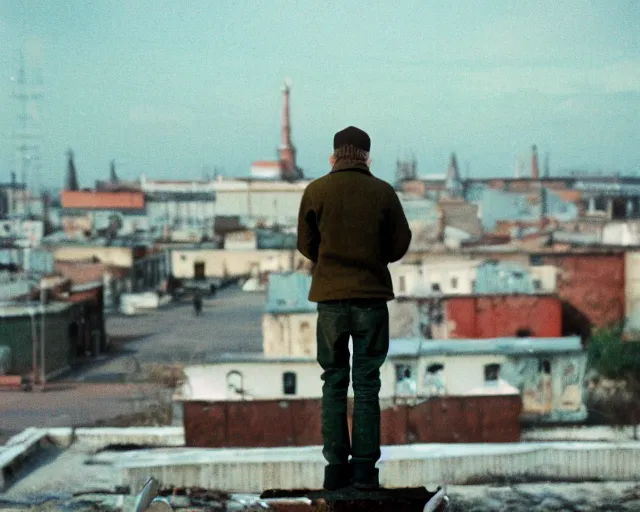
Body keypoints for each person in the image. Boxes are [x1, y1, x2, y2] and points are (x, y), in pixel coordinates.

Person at [297, 126, 412, 490]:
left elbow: (305, 244)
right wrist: (372, 258)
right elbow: (399, 244)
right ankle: (364, 470)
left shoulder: (316, 191)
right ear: (366, 157)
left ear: (334, 157)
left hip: (330, 301)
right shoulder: (383, 192)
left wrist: (330, 261)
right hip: (371, 299)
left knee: (333, 382)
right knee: (366, 385)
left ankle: (334, 469)